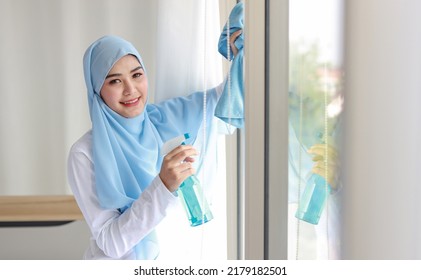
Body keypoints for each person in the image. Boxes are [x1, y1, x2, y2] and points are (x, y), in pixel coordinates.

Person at [67, 32, 241, 259]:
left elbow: (223, 100)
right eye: (114, 81)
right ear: (97, 90)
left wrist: (241, 57)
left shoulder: (165, 120)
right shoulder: (85, 153)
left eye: (137, 75)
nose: (130, 89)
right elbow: (111, 243)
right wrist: (163, 185)